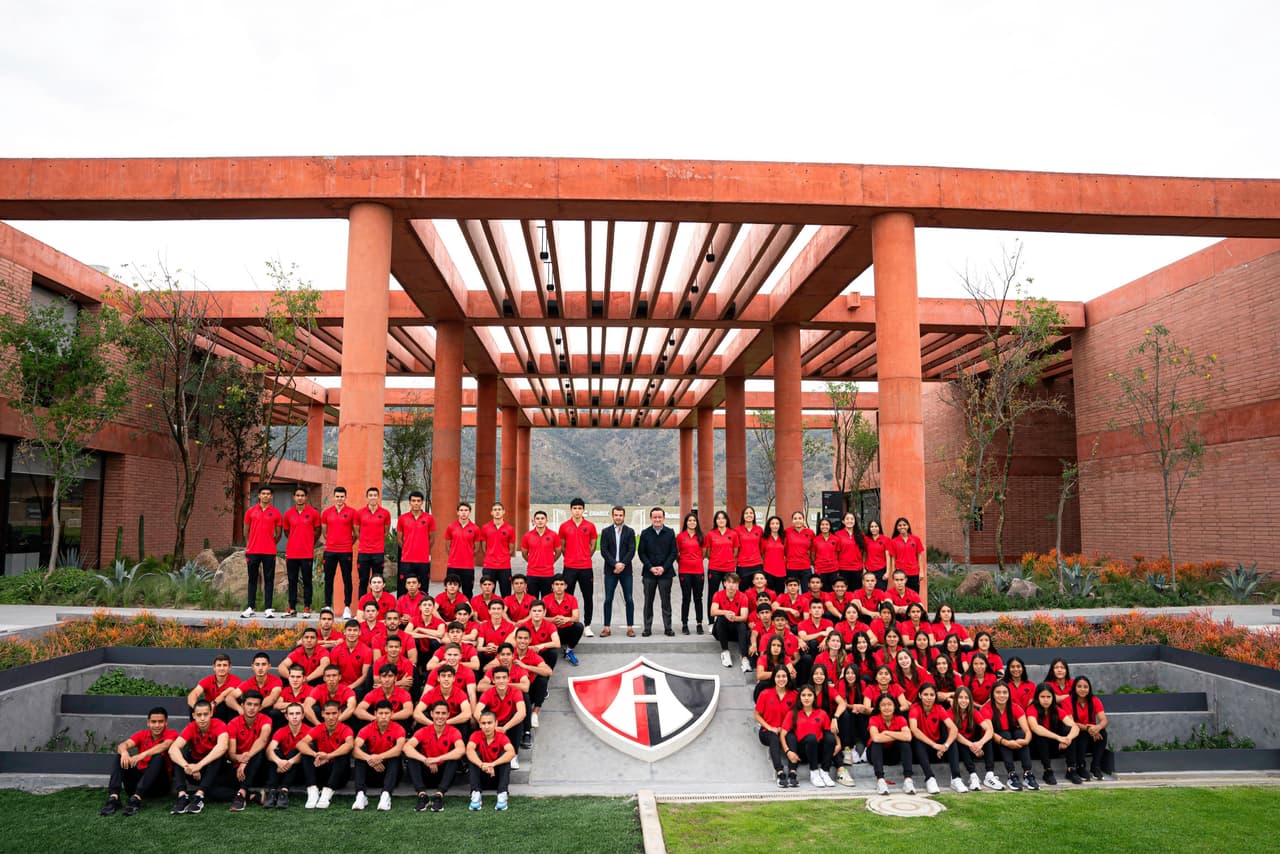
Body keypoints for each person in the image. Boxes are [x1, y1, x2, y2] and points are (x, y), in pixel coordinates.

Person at [99, 706, 177, 817]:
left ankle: (136, 799)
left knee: (158, 757)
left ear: (166, 723)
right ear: (148, 723)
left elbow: (165, 745)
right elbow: (123, 745)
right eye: (153, 722)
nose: (157, 725)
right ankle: (114, 798)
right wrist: (125, 752)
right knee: (119, 756)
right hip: (136, 783)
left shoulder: (172, 734)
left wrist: (142, 755)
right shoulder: (142, 734)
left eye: (160, 722)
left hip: (159, 785)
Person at [168, 699, 230, 815]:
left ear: (211, 713)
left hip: (215, 771)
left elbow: (223, 746)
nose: (202, 718)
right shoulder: (191, 727)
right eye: (199, 715)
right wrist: (187, 766)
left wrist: (199, 765)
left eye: (205, 714)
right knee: (179, 756)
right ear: (194, 716)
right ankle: (182, 796)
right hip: (195, 773)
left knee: (216, 754)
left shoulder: (219, 724)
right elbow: (173, 749)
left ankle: (199, 796)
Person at [405, 700, 466, 812]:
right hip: (426, 772)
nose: (440, 716)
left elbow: (461, 750)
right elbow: (407, 747)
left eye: (443, 713)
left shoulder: (454, 731)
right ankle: (422, 796)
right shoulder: (423, 731)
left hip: (443, 774)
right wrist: (425, 760)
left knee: (454, 759)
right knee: (412, 758)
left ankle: (439, 796)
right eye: (437, 713)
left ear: (448, 715)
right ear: (432, 714)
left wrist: (437, 759)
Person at [295, 700, 354, 808]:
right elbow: (300, 744)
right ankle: (312, 790)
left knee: (343, 752)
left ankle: (328, 792)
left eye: (334, 713)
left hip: (339, 776)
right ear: (322, 714)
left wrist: (329, 756)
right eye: (327, 713)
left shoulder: (346, 729)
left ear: (339, 713)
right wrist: (315, 754)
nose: (331, 717)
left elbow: (350, 744)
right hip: (320, 772)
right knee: (307, 749)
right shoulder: (318, 728)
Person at [908, 683, 963, 794]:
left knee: (951, 741)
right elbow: (914, 729)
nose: (929, 697)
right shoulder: (914, 708)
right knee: (918, 740)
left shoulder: (939, 708)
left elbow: (953, 728)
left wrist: (945, 746)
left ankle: (956, 778)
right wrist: (934, 745)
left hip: (938, 752)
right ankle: (930, 778)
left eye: (932, 695)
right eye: (926, 694)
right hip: (921, 751)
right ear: (920, 695)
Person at [352, 700, 406, 810]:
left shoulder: (399, 729)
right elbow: (354, 750)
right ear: (375, 714)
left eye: (386, 713)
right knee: (360, 754)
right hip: (372, 771)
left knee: (395, 757)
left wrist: (380, 757)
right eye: (380, 713)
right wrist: (370, 759)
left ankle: (386, 795)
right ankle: (360, 795)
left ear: (392, 714)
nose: (383, 716)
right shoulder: (366, 729)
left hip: (390, 772)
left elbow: (399, 749)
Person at [226, 690, 273, 810]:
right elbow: (231, 754)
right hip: (240, 773)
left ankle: (242, 791)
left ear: (260, 707)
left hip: (259, 770)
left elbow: (262, 740)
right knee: (211, 790)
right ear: (242, 705)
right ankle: (252, 796)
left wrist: (246, 759)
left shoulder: (266, 720)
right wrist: (239, 758)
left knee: (259, 751)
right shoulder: (233, 723)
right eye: (249, 704)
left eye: (256, 705)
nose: (252, 708)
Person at [558, 497, 599, 636]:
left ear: (583, 510)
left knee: (588, 596)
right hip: (569, 567)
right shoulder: (564, 526)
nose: (577, 511)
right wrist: (569, 557)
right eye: (574, 508)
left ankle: (587, 625)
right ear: (571, 510)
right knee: (568, 597)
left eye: (579, 508)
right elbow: (562, 546)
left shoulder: (590, 526)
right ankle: (569, 623)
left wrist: (586, 556)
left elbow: (593, 545)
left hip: (586, 567)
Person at [1026, 683, 1080, 786]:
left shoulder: (1056, 710)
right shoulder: (1032, 708)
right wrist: (1059, 738)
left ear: (1053, 698)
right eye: (1042, 697)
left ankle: (1071, 769)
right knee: (1042, 734)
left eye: (1048, 697)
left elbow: (1075, 727)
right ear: (1037, 697)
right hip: (1037, 748)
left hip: (1055, 746)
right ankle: (1048, 771)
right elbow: (1036, 728)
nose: (1046, 700)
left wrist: (1067, 739)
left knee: (1068, 730)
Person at [474, 666, 527, 770]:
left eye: (504, 677)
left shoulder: (516, 692)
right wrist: (492, 727)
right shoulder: (488, 693)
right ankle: (483, 754)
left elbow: (522, 712)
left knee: (518, 719)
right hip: (494, 723)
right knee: (482, 718)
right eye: (498, 678)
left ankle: (514, 755)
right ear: (493, 680)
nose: (501, 681)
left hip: (508, 724)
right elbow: (476, 712)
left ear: (508, 679)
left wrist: (505, 728)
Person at [783, 684, 837, 788]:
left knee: (830, 738)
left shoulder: (822, 713)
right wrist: (788, 751)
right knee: (811, 737)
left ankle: (825, 771)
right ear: (799, 698)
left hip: (817, 751)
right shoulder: (792, 713)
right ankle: (814, 772)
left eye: (809, 695)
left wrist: (838, 744)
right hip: (803, 752)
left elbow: (830, 733)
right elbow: (783, 735)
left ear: (814, 697)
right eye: (803, 695)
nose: (806, 698)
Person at [242, 486, 283, 619]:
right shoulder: (250, 511)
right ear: (259, 496)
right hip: (253, 551)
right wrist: (250, 544)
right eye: (263, 493)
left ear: (271, 496)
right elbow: (246, 531)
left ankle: (268, 609)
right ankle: (250, 607)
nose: (265, 496)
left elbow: (278, 534)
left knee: (269, 580)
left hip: (269, 552)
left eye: (268, 494)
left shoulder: (276, 513)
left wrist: (270, 544)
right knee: (252, 579)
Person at [989, 681, 1038, 790]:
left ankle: (1028, 774)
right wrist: (1007, 742)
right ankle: (1011, 775)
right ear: (992, 694)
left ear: (1009, 694)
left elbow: (1027, 731)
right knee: (1005, 733)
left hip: (1015, 745)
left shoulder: (1016, 707)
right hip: (997, 746)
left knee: (1020, 733)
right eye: (998, 692)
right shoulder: (987, 708)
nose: (1002, 695)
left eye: (1005, 692)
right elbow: (990, 732)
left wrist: (1025, 741)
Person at [952, 685, 1003, 790]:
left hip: (974, 746)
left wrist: (980, 743)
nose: (964, 700)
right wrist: (972, 745)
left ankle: (989, 775)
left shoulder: (974, 712)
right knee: (959, 741)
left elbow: (989, 730)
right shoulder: (949, 712)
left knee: (987, 738)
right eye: (960, 697)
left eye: (966, 698)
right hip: (961, 747)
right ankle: (973, 776)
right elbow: (954, 734)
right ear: (956, 699)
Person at [755, 667, 798, 787]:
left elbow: (795, 716)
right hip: (767, 730)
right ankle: (779, 772)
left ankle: (793, 772)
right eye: (778, 676)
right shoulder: (765, 694)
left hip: (786, 730)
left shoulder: (794, 695)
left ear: (788, 678)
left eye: (784, 676)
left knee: (792, 738)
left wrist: (783, 728)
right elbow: (757, 715)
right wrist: (770, 727)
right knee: (773, 737)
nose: (781, 679)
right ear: (774, 678)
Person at [637, 507, 677, 637]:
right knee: (648, 601)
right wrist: (650, 567)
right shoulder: (645, 533)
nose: (657, 519)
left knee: (666, 601)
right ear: (651, 518)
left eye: (660, 517)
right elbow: (641, 553)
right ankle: (647, 628)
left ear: (664, 518)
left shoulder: (670, 533)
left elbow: (673, 553)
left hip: (666, 573)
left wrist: (663, 568)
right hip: (649, 573)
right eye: (655, 517)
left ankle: (668, 628)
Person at [281, 486, 320, 617]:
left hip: (306, 554)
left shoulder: (313, 513)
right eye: (297, 495)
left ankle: (307, 607)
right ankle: (291, 607)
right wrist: (295, 540)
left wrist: (309, 542)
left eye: (302, 495)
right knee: (292, 581)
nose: (300, 498)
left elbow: (318, 531)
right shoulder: (288, 514)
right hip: (292, 553)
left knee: (307, 581)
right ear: (294, 497)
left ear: (306, 497)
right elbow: (286, 532)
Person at [598, 505, 636, 637]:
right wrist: (615, 564)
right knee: (608, 599)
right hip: (610, 571)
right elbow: (604, 550)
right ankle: (606, 628)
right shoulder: (606, 531)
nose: (618, 517)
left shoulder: (630, 532)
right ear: (612, 516)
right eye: (616, 515)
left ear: (624, 516)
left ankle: (630, 627)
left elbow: (632, 550)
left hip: (626, 571)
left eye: (620, 515)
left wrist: (622, 564)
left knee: (629, 599)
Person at [467, 709, 515, 811]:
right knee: (474, 755)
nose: (487, 726)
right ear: (479, 724)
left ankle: (502, 794)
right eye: (483, 723)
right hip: (481, 776)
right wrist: (482, 765)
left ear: (496, 723)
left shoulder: (501, 737)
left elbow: (511, 752)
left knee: (504, 755)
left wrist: (492, 764)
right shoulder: (475, 735)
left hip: (496, 777)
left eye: (489, 723)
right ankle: (476, 794)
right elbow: (469, 750)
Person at [319, 486, 357, 618]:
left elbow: (356, 533)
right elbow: (324, 532)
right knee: (328, 578)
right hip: (330, 550)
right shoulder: (326, 512)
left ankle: (347, 607)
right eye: (337, 496)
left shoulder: (352, 512)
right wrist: (331, 541)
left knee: (347, 579)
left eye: (342, 497)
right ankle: (328, 605)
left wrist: (347, 543)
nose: (339, 499)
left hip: (346, 551)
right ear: (334, 497)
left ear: (345, 497)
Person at [867, 693, 913, 795]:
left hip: (893, 756)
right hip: (875, 755)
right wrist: (897, 735)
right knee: (876, 743)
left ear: (895, 706)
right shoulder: (874, 718)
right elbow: (876, 737)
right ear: (878, 707)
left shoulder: (900, 718)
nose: (887, 707)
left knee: (904, 743)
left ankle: (908, 779)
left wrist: (887, 732)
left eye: (889, 704)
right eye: (883, 705)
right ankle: (880, 780)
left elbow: (908, 737)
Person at [264, 702, 308, 808]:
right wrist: (279, 761)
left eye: (297, 713)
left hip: (299, 771)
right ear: (286, 716)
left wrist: (288, 763)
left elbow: (307, 752)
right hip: (281, 769)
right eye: (291, 714)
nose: (294, 717)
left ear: (302, 715)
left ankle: (284, 791)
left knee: (296, 751)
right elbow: (269, 750)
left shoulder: (309, 731)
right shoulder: (281, 731)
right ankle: (272, 792)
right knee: (276, 752)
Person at [1067, 676, 1109, 781]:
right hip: (1077, 733)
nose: (1082, 689)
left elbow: (1104, 720)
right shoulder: (1068, 700)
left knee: (1103, 733)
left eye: (1085, 687)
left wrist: (1098, 727)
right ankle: (1080, 766)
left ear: (1089, 688)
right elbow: (1070, 722)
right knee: (1082, 735)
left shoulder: (1095, 700)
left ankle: (1095, 766)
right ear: (1074, 688)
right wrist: (1088, 728)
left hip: (1092, 733)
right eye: (1079, 686)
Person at [353, 487, 391, 600]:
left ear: (378, 497)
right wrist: (364, 540)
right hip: (363, 552)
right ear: (367, 497)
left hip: (378, 552)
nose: (373, 497)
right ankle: (362, 606)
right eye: (370, 495)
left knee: (377, 582)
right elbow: (356, 530)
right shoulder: (359, 513)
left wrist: (377, 541)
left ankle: (376, 606)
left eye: (375, 495)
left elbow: (386, 531)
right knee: (363, 580)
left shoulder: (385, 513)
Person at [710, 572, 752, 671]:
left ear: (738, 585)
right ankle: (725, 651)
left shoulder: (743, 596)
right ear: (724, 584)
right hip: (720, 631)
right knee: (721, 618)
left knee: (741, 624)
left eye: (734, 583)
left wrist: (733, 617)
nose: (732, 585)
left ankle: (744, 658)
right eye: (729, 582)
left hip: (735, 632)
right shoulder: (718, 594)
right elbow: (712, 612)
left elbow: (744, 617)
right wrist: (726, 613)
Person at [399, 490, 438, 596]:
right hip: (406, 559)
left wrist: (424, 550)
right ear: (409, 502)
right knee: (404, 588)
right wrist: (408, 549)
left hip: (423, 560)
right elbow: (399, 539)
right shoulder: (403, 518)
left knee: (423, 588)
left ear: (422, 502)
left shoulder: (429, 518)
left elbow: (432, 538)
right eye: (413, 501)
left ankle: (423, 610)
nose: (416, 503)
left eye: (418, 501)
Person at [835, 663, 873, 766]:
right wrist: (855, 706)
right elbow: (843, 704)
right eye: (847, 673)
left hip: (857, 713)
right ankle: (847, 748)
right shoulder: (841, 683)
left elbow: (865, 704)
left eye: (853, 673)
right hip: (844, 713)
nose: (850, 675)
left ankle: (864, 748)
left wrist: (858, 708)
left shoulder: (862, 684)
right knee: (846, 714)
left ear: (857, 674)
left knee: (863, 714)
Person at [675, 511, 706, 635]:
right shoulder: (680, 536)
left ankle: (699, 623)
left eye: (694, 520)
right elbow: (677, 554)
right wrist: (684, 562)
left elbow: (704, 554)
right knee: (686, 598)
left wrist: (696, 561)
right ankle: (685, 624)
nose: (692, 522)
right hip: (685, 571)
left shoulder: (701, 536)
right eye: (689, 520)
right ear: (686, 523)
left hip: (698, 571)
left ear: (697, 523)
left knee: (698, 598)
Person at [543, 574, 584, 665]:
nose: (559, 587)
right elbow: (540, 618)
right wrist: (552, 620)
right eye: (556, 584)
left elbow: (576, 618)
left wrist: (566, 619)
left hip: (566, 631)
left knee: (579, 626)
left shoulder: (572, 599)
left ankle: (569, 651)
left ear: (565, 586)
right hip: (553, 632)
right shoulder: (546, 599)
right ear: (552, 586)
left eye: (561, 584)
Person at [228, 652, 283, 720]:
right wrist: (239, 709)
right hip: (250, 711)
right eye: (257, 664)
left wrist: (255, 709)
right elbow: (229, 697)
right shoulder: (248, 682)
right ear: (253, 667)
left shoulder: (276, 681)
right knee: (230, 709)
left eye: (263, 664)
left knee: (275, 713)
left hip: (266, 711)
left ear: (269, 666)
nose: (260, 668)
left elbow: (273, 698)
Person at [704, 510, 739, 617]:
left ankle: (728, 618)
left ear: (726, 520)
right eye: (718, 518)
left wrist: (727, 559)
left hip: (729, 569)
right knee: (712, 594)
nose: (721, 520)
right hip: (714, 568)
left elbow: (735, 551)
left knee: (730, 594)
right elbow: (708, 552)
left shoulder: (733, 534)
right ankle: (711, 621)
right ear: (715, 521)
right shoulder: (711, 534)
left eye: (723, 518)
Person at [188, 653, 240, 722]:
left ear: (229, 667)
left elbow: (224, 695)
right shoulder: (208, 680)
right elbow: (193, 694)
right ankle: (195, 729)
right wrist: (196, 708)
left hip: (225, 713)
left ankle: (230, 731)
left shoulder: (236, 680)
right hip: (209, 713)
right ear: (214, 667)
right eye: (219, 665)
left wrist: (213, 704)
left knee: (230, 701)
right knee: (193, 705)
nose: (222, 668)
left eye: (225, 665)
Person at [480, 501, 518, 597]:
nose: (497, 512)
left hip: (504, 566)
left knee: (506, 594)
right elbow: (484, 547)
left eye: (499, 510)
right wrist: (491, 556)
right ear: (491, 512)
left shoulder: (510, 529)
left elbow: (511, 548)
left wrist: (502, 557)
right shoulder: (485, 528)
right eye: (495, 510)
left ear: (503, 512)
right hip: (489, 566)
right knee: (488, 594)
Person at [520, 511, 561, 599]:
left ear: (546, 521)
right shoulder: (527, 536)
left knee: (547, 602)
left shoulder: (553, 535)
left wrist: (550, 561)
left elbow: (558, 552)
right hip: (532, 574)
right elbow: (524, 553)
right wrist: (532, 561)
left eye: (542, 518)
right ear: (533, 521)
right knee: (532, 602)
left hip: (548, 574)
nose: (540, 521)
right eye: (537, 519)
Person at [443, 500, 479, 598]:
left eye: (466, 510)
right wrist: (453, 556)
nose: (463, 512)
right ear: (457, 512)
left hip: (468, 566)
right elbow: (447, 546)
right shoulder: (451, 527)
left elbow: (476, 548)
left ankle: (467, 612)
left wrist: (468, 556)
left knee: (467, 592)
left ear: (469, 512)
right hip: (453, 565)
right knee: (451, 592)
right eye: (461, 510)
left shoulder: (475, 528)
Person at [888, 517, 924, 593]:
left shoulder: (915, 539)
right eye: (899, 525)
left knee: (914, 594)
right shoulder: (893, 541)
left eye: (904, 525)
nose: (902, 527)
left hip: (914, 571)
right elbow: (893, 558)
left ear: (908, 526)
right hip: (900, 573)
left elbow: (920, 556)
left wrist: (921, 571)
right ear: (897, 528)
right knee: (901, 593)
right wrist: (893, 571)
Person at [783, 511, 814, 588]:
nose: (797, 520)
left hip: (805, 567)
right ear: (792, 521)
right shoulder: (787, 532)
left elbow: (812, 549)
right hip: (791, 567)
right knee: (792, 591)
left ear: (803, 519)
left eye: (800, 518)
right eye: (795, 518)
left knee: (806, 592)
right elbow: (784, 549)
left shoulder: (810, 532)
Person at [835, 511, 867, 587]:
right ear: (843, 521)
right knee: (844, 592)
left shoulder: (860, 534)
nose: (850, 521)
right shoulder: (838, 535)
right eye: (847, 519)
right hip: (843, 568)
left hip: (857, 568)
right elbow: (835, 553)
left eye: (852, 519)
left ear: (855, 521)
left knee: (856, 593)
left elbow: (864, 552)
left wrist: (864, 566)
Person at [735, 506, 765, 583]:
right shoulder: (737, 530)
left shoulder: (759, 529)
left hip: (757, 564)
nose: (749, 515)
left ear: (754, 515)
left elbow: (762, 548)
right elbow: (735, 549)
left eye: (751, 513)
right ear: (743, 516)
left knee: (757, 591)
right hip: (742, 565)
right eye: (746, 513)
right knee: (743, 591)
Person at [760, 515, 787, 594]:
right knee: (768, 594)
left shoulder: (784, 538)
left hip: (781, 571)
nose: (775, 525)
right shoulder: (764, 538)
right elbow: (761, 554)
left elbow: (787, 553)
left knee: (780, 594)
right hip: (767, 571)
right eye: (772, 523)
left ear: (780, 525)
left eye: (777, 523)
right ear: (769, 525)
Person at [811, 517, 840, 590]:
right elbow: (813, 555)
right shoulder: (815, 540)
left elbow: (838, 553)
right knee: (821, 590)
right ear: (819, 526)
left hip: (833, 569)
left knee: (833, 590)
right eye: (822, 524)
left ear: (830, 526)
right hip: (820, 569)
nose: (824, 526)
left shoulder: (836, 539)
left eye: (827, 524)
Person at [864, 520, 891, 589]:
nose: (874, 528)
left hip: (881, 570)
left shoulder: (886, 539)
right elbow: (864, 554)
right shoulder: (866, 539)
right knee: (869, 591)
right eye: (871, 527)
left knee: (881, 592)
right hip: (869, 570)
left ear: (879, 527)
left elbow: (888, 557)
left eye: (876, 526)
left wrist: (887, 572)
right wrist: (864, 568)